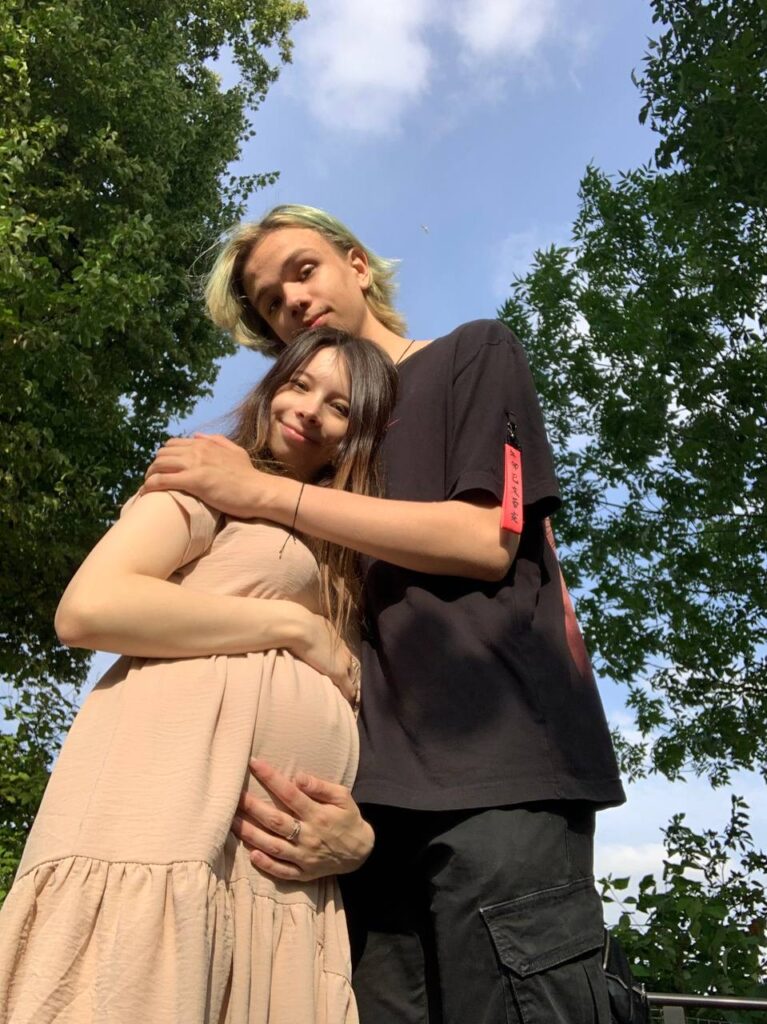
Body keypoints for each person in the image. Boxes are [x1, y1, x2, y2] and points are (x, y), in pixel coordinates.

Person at [143, 205, 627, 1024]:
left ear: (357, 265)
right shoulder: (315, 444)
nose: (291, 302)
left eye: (302, 271)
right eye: (269, 302)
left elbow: (485, 538)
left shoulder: (470, 354)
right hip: (353, 816)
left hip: (499, 778)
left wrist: (261, 492)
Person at [0, 327, 397, 1024]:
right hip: (163, 827)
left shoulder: (346, 560)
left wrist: (359, 841)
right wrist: (292, 625)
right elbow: (90, 607)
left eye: (339, 406)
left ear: (357, 437)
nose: (309, 410)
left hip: (277, 885)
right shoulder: (212, 478)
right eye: (299, 384)